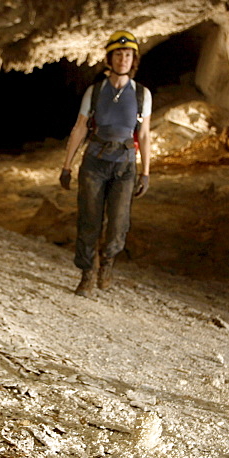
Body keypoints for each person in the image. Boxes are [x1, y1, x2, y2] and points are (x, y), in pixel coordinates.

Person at [59, 30, 152, 296]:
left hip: (124, 166)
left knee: (118, 223)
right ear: (109, 59)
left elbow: (143, 134)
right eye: (118, 54)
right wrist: (67, 165)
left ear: (133, 59)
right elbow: (80, 127)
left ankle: (108, 261)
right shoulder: (95, 91)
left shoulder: (142, 95)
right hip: (94, 163)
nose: (123, 59)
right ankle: (88, 273)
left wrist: (145, 172)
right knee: (89, 219)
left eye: (127, 55)